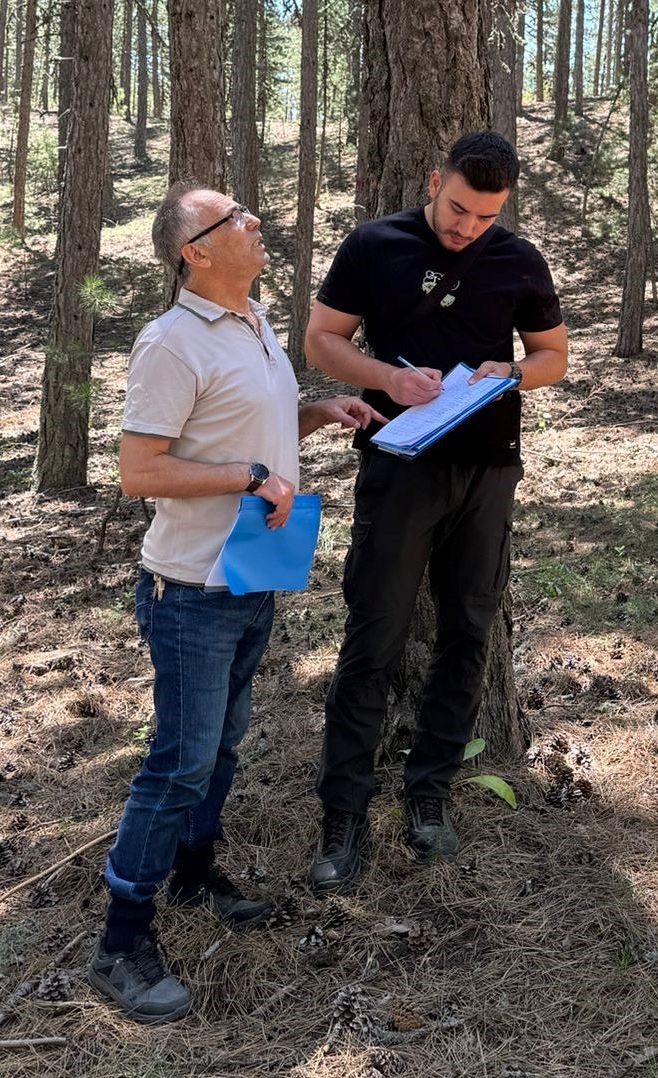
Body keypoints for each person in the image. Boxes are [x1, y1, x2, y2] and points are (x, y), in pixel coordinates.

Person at [91, 182, 382, 1024]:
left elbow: (241, 429)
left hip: (250, 578)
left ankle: (193, 874)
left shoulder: (254, 325)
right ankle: (120, 941)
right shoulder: (170, 342)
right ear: (196, 251)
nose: (258, 227)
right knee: (178, 761)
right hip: (189, 589)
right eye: (237, 222)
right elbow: (139, 470)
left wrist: (317, 414)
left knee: (220, 750)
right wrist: (252, 477)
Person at [304, 131, 567, 888]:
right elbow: (323, 340)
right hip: (398, 467)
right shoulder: (374, 244)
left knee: (468, 632)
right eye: (457, 210)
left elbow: (555, 356)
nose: (465, 228)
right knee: (374, 636)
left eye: (484, 218)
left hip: (487, 470)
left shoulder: (518, 259)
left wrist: (511, 373)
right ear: (433, 181)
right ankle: (343, 816)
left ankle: (430, 797)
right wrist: (387, 376)